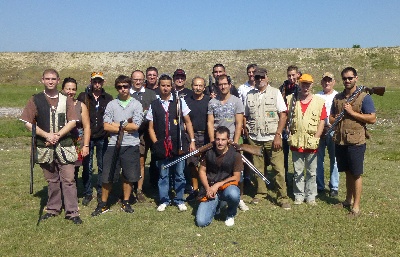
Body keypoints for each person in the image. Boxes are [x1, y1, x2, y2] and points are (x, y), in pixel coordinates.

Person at [20, 69, 82, 224]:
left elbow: (73, 121)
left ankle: (72, 212)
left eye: (53, 79)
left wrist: (58, 135)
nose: (50, 81)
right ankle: (53, 208)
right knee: (52, 179)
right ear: (42, 80)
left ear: (58, 80)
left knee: (68, 179)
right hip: (44, 146)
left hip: (65, 145)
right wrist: (47, 136)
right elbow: (28, 123)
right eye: (47, 78)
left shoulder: (65, 99)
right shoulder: (35, 99)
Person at [91, 75, 143, 216]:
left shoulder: (136, 104)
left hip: (131, 145)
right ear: (116, 88)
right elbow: (106, 126)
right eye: (120, 87)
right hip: (113, 144)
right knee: (107, 175)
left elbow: (136, 126)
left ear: (129, 87)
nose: (123, 89)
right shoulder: (112, 104)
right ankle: (103, 203)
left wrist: (118, 125)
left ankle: (126, 201)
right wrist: (124, 125)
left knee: (128, 175)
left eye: (125, 86)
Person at [330, 67, 376, 217]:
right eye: (345, 78)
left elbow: (372, 118)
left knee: (356, 173)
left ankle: (356, 207)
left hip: (356, 141)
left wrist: (352, 113)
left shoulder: (364, 97)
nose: (347, 81)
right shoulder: (337, 97)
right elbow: (331, 118)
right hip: (341, 140)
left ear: (356, 78)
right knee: (347, 172)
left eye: (350, 78)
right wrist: (336, 117)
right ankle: (348, 200)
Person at [147, 74, 196, 212]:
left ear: (172, 86)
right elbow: (150, 127)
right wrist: (156, 143)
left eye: (168, 86)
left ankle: (179, 199)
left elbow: (188, 121)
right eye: (163, 85)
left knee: (179, 173)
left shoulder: (179, 102)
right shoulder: (154, 104)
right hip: (162, 145)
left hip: (178, 143)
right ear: (159, 86)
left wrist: (191, 140)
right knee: (163, 174)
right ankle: (164, 200)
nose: (166, 88)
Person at [244, 68, 290, 209]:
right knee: (258, 168)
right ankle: (261, 193)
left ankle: (282, 197)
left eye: (262, 77)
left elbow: (283, 115)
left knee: (278, 169)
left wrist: (278, 135)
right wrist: (245, 128)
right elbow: (246, 115)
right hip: (255, 137)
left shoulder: (275, 93)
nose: (259, 80)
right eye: (257, 77)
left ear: (267, 77)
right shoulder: (249, 95)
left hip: (272, 137)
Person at [207, 74, 248, 211]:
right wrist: (213, 140)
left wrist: (235, 142)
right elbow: (210, 122)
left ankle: (239, 198)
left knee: (237, 172)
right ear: (217, 86)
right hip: (218, 142)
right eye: (220, 84)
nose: (223, 86)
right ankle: (222, 197)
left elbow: (239, 123)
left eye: (225, 84)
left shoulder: (237, 101)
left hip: (231, 142)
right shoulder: (212, 102)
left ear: (230, 85)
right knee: (220, 171)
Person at [287, 74, 326, 205]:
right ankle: (298, 194)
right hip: (296, 141)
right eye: (303, 84)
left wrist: (317, 137)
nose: (306, 87)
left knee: (311, 171)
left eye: (308, 84)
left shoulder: (319, 101)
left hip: (311, 141)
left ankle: (311, 195)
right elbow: (285, 118)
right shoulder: (291, 99)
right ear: (299, 84)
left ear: (312, 85)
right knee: (297, 171)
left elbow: (322, 120)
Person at [77, 72, 113, 205]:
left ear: (103, 82)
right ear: (91, 82)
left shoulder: (108, 98)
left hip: (102, 137)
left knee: (102, 166)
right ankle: (87, 192)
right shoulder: (83, 96)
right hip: (88, 138)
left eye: (99, 82)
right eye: (95, 82)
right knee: (87, 165)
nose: (97, 84)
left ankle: (100, 191)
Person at [196, 126, 243, 227]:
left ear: (228, 140)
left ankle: (230, 214)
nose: (220, 143)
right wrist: (208, 188)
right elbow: (202, 171)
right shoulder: (208, 152)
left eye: (223, 140)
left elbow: (236, 177)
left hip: (227, 187)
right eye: (217, 139)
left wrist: (218, 184)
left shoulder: (235, 154)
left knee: (234, 194)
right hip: (210, 188)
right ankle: (217, 204)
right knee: (201, 222)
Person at [130, 70, 157, 202]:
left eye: (140, 79)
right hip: (129, 132)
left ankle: (139, 189)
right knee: (129, 161)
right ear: (131, 80)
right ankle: (128, 188)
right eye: (135, 79)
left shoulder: (151, 94)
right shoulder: (126, 94)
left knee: (141, 160)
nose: (138, 82)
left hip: (144, 132)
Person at [184, 76, 211, 201]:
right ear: (192, 86)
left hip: (206, 135)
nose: (198, 88)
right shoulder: (185, 101)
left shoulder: (209, 100)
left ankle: (206, 188)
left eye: (200, 86)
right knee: (192, 163)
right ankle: (195, 189)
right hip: (192, 135)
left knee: (207, 163)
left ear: (204, 87)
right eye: (195, 85)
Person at [61, 77, 91, 188]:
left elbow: (87, 127)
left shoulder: (81, 105)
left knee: (74, 171)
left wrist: (86, 145)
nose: (70, 92)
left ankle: (72, 195)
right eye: (68, 89)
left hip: (77, 142)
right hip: (61, 141)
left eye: (73, 89)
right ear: (62, 89)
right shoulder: (57, 104)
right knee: (61, 169)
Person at [316, 72, 340, 197]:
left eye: (329, 80)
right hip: (319, 130)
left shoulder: (338, 96)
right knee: (318, 159)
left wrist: (332, 127)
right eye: (325, 80)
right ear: (321, 82)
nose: (327, 83)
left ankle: (334, 186)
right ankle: (319, 185)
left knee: (334, 159)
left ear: (333, 82)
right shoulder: (316, 96)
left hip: (333, 130)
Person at [279, 65, 301, 186]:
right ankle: (285, 179)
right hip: (284, 125)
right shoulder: (283, 88)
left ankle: (297, 180)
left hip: (295, 124)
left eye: (293, 75)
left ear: (298, 75)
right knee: (284, 155)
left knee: (297, 155)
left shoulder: (301, 88)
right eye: (289, 75)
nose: (291, 77)